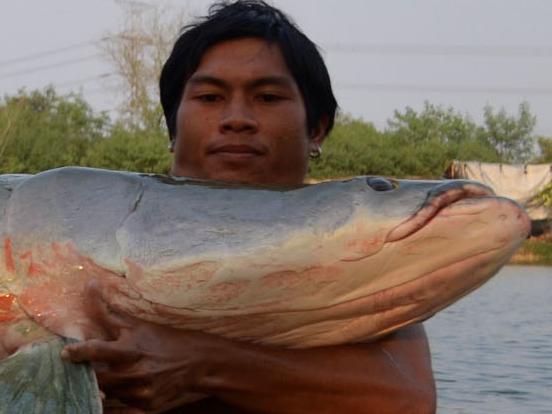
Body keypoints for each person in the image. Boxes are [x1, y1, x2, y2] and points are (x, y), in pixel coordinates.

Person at [62, 1, 436, 413]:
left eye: (267, 96)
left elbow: (407, 401)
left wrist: (201, 363)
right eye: (209, 96)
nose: (236, 118)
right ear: (173, 125)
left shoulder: (350, 251)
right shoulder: (90, 228)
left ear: (317, 128)